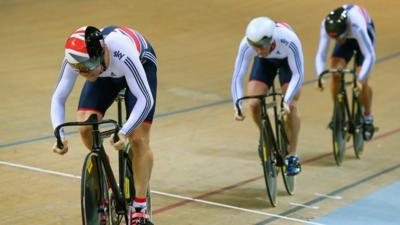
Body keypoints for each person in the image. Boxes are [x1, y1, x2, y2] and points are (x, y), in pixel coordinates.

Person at [50, 25, 157, 225]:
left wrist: (124, 131)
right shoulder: (78, 57)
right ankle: (105, 170)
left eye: (86, 66)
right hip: (106, 73)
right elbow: (58, 97)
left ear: (100, 53)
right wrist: (59, 133)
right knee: (85, 126)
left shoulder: (121, 51)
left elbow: (146, 100)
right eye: (78, 69)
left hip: (140, 64)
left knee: (138, 138)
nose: (82, 72)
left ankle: (140, 209)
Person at [231, 17, 304, 176]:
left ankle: (292, 155)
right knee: (253, 104)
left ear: (271, 41)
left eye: (260, 47)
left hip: (286, 63)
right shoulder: (248, 44)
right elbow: (238, 76)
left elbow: (298, 74)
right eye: (254, 46)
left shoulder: (289, 40)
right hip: (265, 64)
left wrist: (286, 99)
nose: (256, 50)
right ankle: (266, 140)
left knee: (291, 106)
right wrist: (237, 104)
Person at [315, 4, 376, 140]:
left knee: (362, 80)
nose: (337, 41)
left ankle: (367, 117)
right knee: (335, 72)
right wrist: (320, 76)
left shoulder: (357, 25)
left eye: (339, 38)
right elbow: (321, 55)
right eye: (335, 39)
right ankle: (340, 113)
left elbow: (370, 56)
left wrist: (360, 79)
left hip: (364, 34)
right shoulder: (327, 26)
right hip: (346, 35)